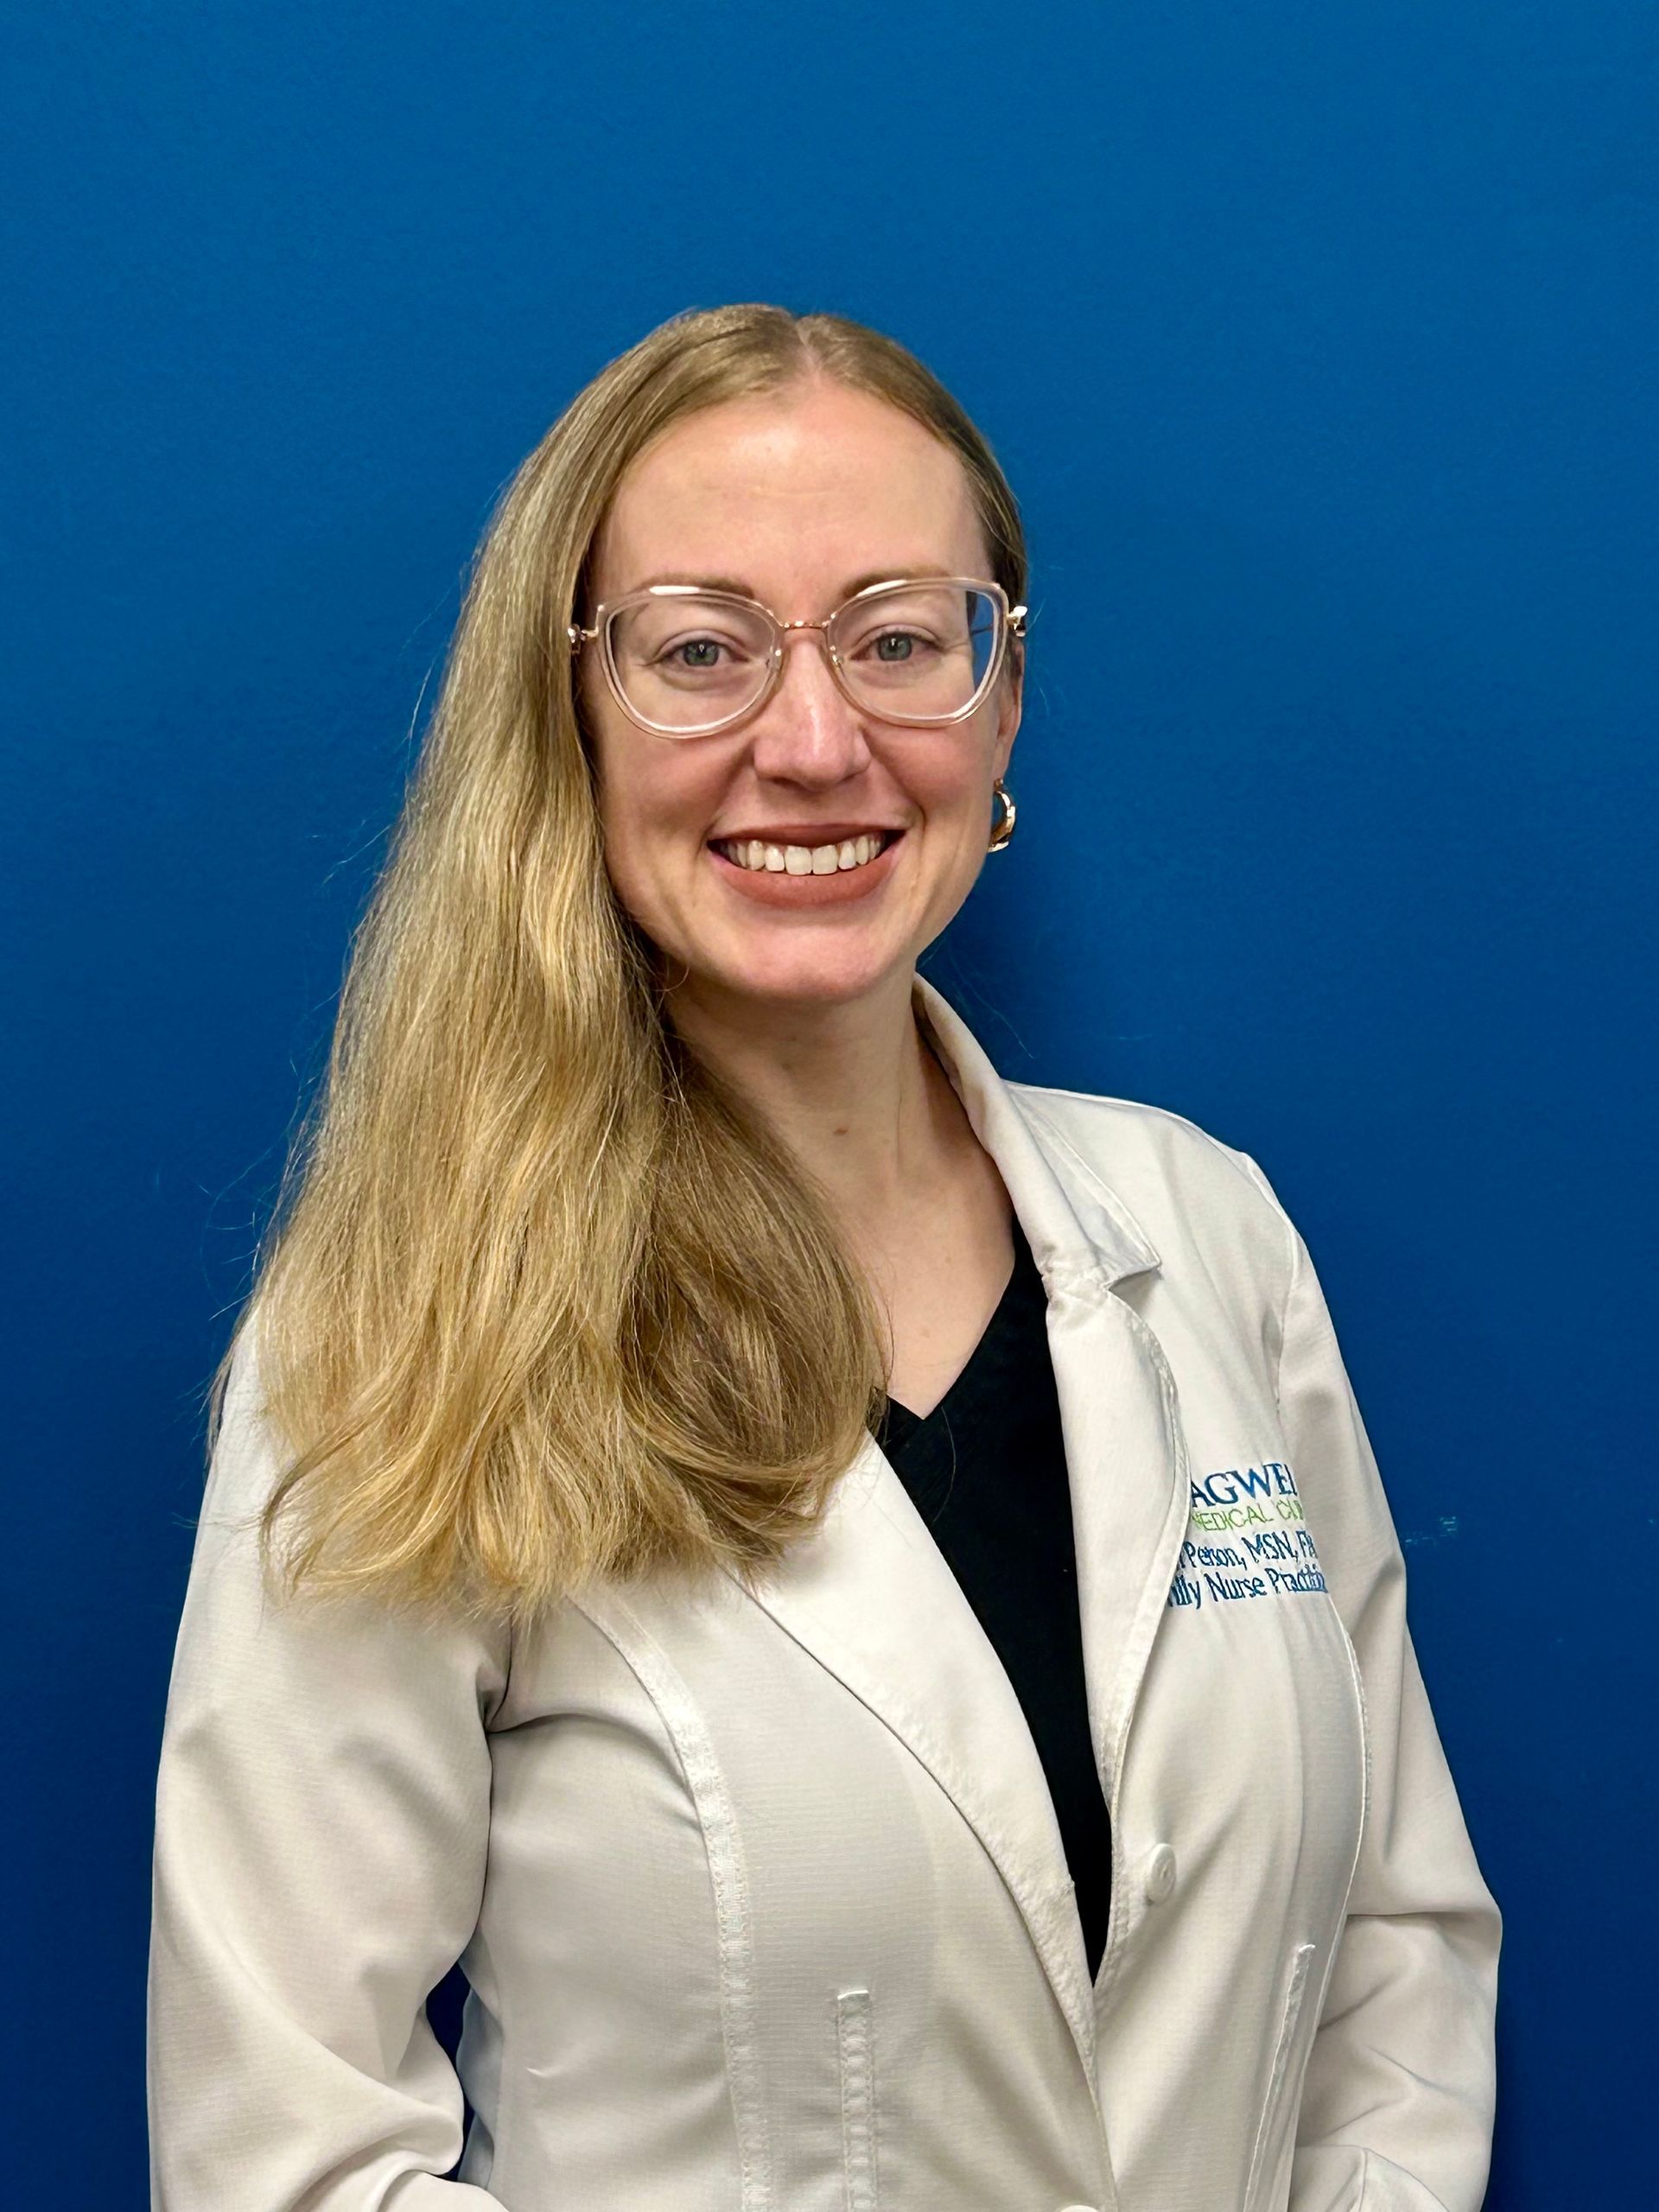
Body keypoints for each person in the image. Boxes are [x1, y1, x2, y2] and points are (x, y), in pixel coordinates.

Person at [147, 303, 1500, 2212]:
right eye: (700, 650)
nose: (812, 739)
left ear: (1002, 697)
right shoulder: (401, 1325)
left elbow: (1397, 1949)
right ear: (571, 712)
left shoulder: (1210, 1236)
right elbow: (285, 2153)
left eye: (896, 640)